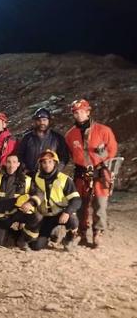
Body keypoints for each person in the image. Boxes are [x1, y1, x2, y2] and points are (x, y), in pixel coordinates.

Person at [65, 99, 117, 248]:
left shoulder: (103, 130)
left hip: (100, 172)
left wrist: (104, 162)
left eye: (81, 111)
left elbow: (112, 149)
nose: (78, 115)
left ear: (88, 112)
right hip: (82, 173)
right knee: (81, 205)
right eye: (75, 112)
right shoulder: (70, 135)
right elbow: (70, 153)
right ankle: (81, 233)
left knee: (100, 204)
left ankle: (98, 232)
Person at [0, 154, 43, 249]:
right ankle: (14, 235)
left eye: (14, 162)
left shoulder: (26, 180)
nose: (11, 165)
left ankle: (23, 239)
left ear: (18, 164)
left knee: (37, 217)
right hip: (0, 215)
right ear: (5, 163)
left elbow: (39, 193)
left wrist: (30, 202)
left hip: (19, 212)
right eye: (9, 162)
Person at [29, 150, 82, 251]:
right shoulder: (35, 177)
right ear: (40, 164)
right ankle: (54, 234)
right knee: (36, 247)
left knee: (73, 219)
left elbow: (76, 200)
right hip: (46, 217)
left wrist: (67, 212)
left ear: (55, 163)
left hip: (61, 214)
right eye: (44, 162)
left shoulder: (64, 179)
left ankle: (69, 239)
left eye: (50, 162)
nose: (47, 165)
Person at [17, 108, 70, 175]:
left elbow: (64, 157)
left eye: (44, 120)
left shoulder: (57, 138)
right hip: (30, 176)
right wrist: (24, 168)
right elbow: (20, 155)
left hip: (50, 176)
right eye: (39, 120)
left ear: (49, 121)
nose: (42, 123)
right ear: (35, 122)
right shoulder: (27, 138)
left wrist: (56, 171)